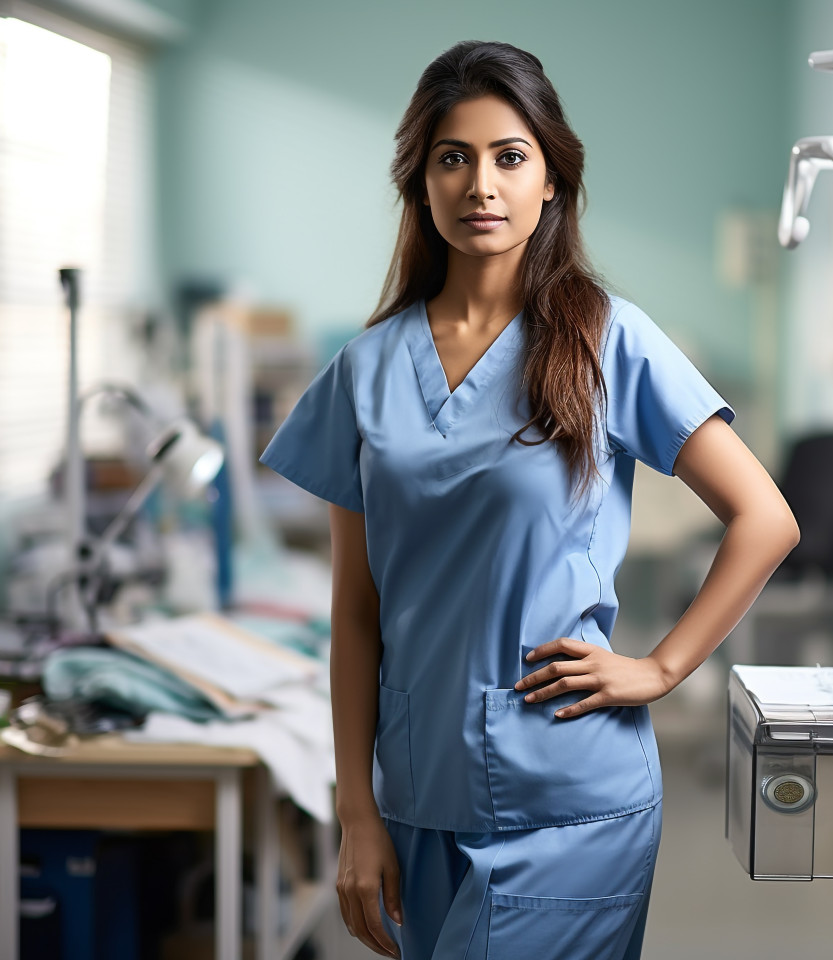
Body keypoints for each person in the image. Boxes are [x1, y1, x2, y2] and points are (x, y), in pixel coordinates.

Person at [259, 39, 800, 960]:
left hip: (571, 801)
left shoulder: (605, 341)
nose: (482, 185)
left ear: (551, 180)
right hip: (417, 791)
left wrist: (661, 668)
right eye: (453, 158)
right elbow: (357, 611)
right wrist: (356, 811)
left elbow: (766, 518)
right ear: (420, 183)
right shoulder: (367, 369)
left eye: (510, 157)